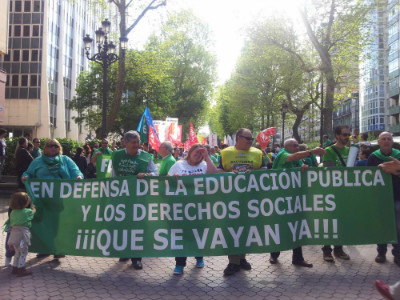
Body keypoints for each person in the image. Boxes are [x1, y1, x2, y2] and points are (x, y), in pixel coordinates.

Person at [21, 139, 83, 260]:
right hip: (43, 200)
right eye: (50, 146)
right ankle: (44, 249)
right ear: (45, 148)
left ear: (59, 148)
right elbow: (29, 173)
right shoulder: (37, 161)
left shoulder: (65, 159)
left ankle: (58, 249)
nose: (53, 148)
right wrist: (26, 177)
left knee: (59, 224)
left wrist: (78, 176)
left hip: (61, 199)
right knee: (44, 223)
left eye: (56, 146)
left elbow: (76, 171)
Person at [217, 128, 267, 276]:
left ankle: (242, 258)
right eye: (248, 139)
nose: (251, 141)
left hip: (251, 199)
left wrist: (251, 174)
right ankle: (233, 262)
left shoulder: (257, 153)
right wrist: (231, 175)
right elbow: (218, 172)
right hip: (230, 199)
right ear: (238, 138)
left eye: (251, 139)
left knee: (246, 229)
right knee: (232, 229)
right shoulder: (225, 153)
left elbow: (264, 172)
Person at [269, 138, 326, 268]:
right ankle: (274, 254)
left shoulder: (297, 158)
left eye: (298, 146)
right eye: (295, 146)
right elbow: (292, 157)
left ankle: (298, 258)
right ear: (287, 146)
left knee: (297, 227)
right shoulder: (282, 154)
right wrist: (311, 151)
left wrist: (304, 168)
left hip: (295, 198)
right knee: (280, 227)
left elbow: (299, 167)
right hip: (281, 198)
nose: (297, 148)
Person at [168, 143, 218, 275]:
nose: (198, 155)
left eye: (201, 153)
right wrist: (173, 179)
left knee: (198, 234)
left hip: (200, 207)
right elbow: (166, 182)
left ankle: (199, 256)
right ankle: (179, 263)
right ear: (189, 152)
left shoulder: (204, 165)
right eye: (196, 152)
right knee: (181, 236)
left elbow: (215, 175)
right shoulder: (178, 165)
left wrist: (207, 157)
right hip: (182, 207)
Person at [111, 130, 158, 269]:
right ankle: (125, 252)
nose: (137, 145)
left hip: (139, 199)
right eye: (134, 142)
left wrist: (147, 174)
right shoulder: (116, 156)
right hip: (122, 198)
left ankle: (137, 258)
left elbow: (156, 173)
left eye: (138, 142)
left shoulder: (146, 157)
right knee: (123, 225)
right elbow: (113, 176)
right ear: (125, 143)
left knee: (138, 227)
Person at [367, 132, 400, 266]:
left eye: (389, 139)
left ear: (392, 142)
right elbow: (367, 178)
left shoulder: (399, 155)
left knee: (398, 227)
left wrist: (394, 172)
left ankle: (397, 254)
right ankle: (381, 252)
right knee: (382, 226)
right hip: (380, 198)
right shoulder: (373, 157)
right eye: (383, 139)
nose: (386, 141)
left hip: (398, 196)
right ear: (379, 142)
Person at [321, 125, 351, 262]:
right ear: (337, 135)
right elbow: (329, 172)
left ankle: (339, 249)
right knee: (329, 222)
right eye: (344, 134)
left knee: (342, 222)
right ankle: (327, 251)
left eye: (348, 134)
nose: (347, 137)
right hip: (331, 193)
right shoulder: (328, 151)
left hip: (344, 193)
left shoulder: (350, 150)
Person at [6, 192, 36, 277]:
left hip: (14, 235)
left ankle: (15, 268)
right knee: (23, 252)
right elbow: (33, 212)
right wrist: (33, 207)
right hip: (22, 236)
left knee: (17, 252)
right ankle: (21, 269)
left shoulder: (13, 212)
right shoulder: (27, 211)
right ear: (25, 202)